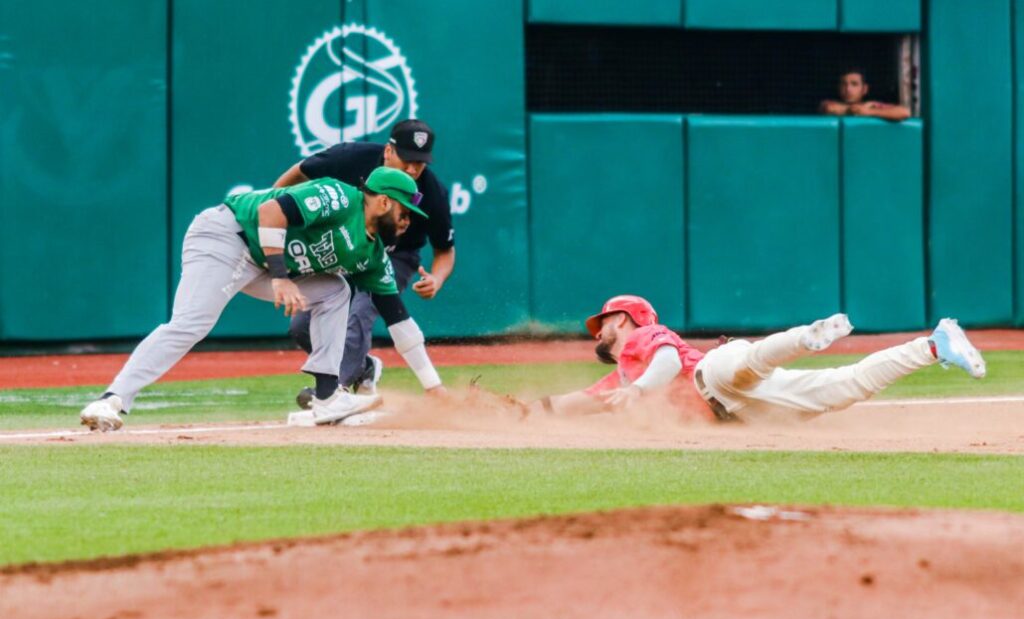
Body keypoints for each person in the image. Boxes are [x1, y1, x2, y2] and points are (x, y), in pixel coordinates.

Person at [79, 167, 445, 432]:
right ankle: (111, 400)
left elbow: (398, 319)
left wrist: (434, 388)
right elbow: (271, 211)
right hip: (227, 237)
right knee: (191, 324)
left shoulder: (372, 254)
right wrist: (282, 277)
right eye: (405, 211)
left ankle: (327, 396)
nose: (409, 221)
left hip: (264, 263)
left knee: (336, 290)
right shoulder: (339, 196)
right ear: (382, 201)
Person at [531, 295, 985, 422]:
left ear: (626, 319)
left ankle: (807, 338)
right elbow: (578, 401)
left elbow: (668, 361)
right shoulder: (624, 380)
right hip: (744, 411)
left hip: (710, 375)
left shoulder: (646, 337)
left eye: (605, 320)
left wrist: (642, 393)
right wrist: (521, 412)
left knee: (746, 362)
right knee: (845, 388)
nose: (600, 329)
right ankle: (933, 346)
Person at [275, 119, 455, 404]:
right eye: (407, 159)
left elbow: (445, 249)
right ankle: (364, 368)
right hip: (346, 249)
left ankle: (336, 391)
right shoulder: (350, 158)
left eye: (419, 163)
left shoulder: (431, 193)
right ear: (388, 151)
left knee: (361, 311)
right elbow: (301, 171)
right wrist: (275, 205)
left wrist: (437, 278)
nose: (412, 169)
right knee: (301, 326)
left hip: (396, 255)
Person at [818, 68, 911, 122]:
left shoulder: (871, 106)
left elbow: (904, 112)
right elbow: (828, 108)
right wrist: (855, 110)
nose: (848, 89)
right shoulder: (830, 103)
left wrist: (869, 112)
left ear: (864, 89)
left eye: (854, 84)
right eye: (844, 84)